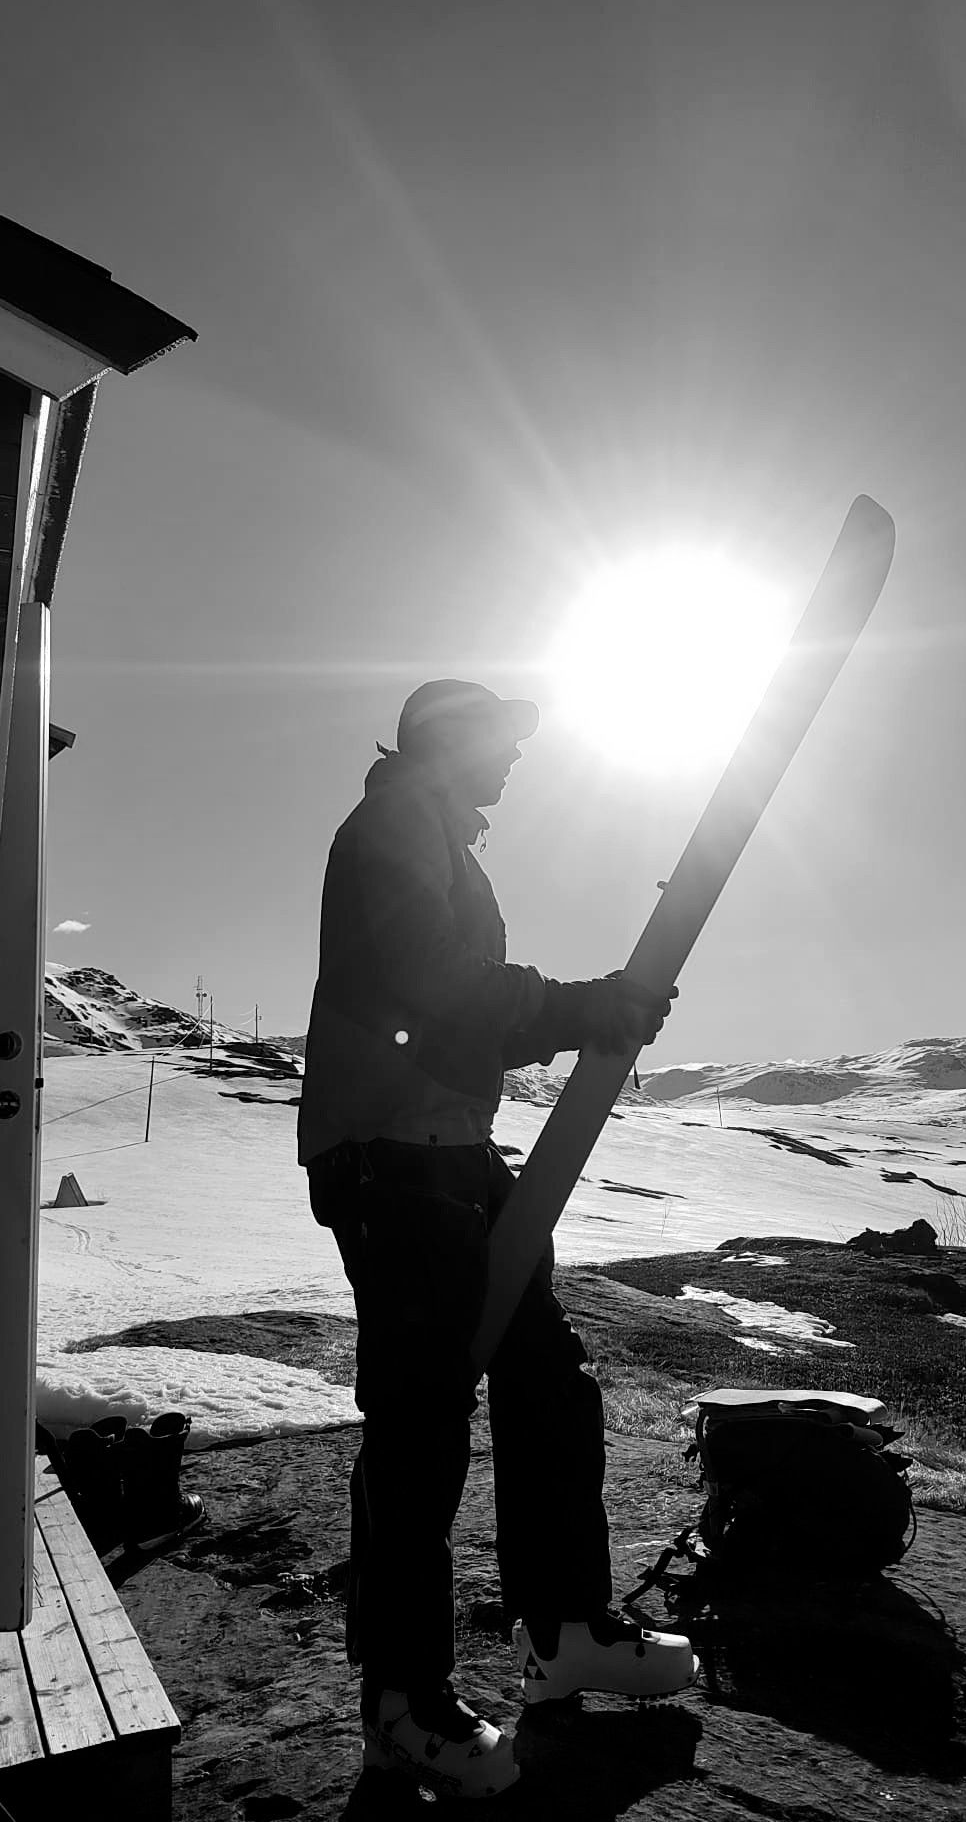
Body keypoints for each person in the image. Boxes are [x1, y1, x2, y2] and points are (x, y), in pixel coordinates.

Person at [298, 679, 696, 1800]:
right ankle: (401, 1702)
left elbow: (453, 1017)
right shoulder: (390, 826)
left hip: (450, 1146)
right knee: (421, 1417)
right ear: (446, 740)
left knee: (547, 1378)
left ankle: (564, 1629)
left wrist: (582, 1014)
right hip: (389, 1155)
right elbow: (430, 983)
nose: (515, 758)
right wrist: (577, 1006)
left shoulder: (441, 839)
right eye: (501, 740)